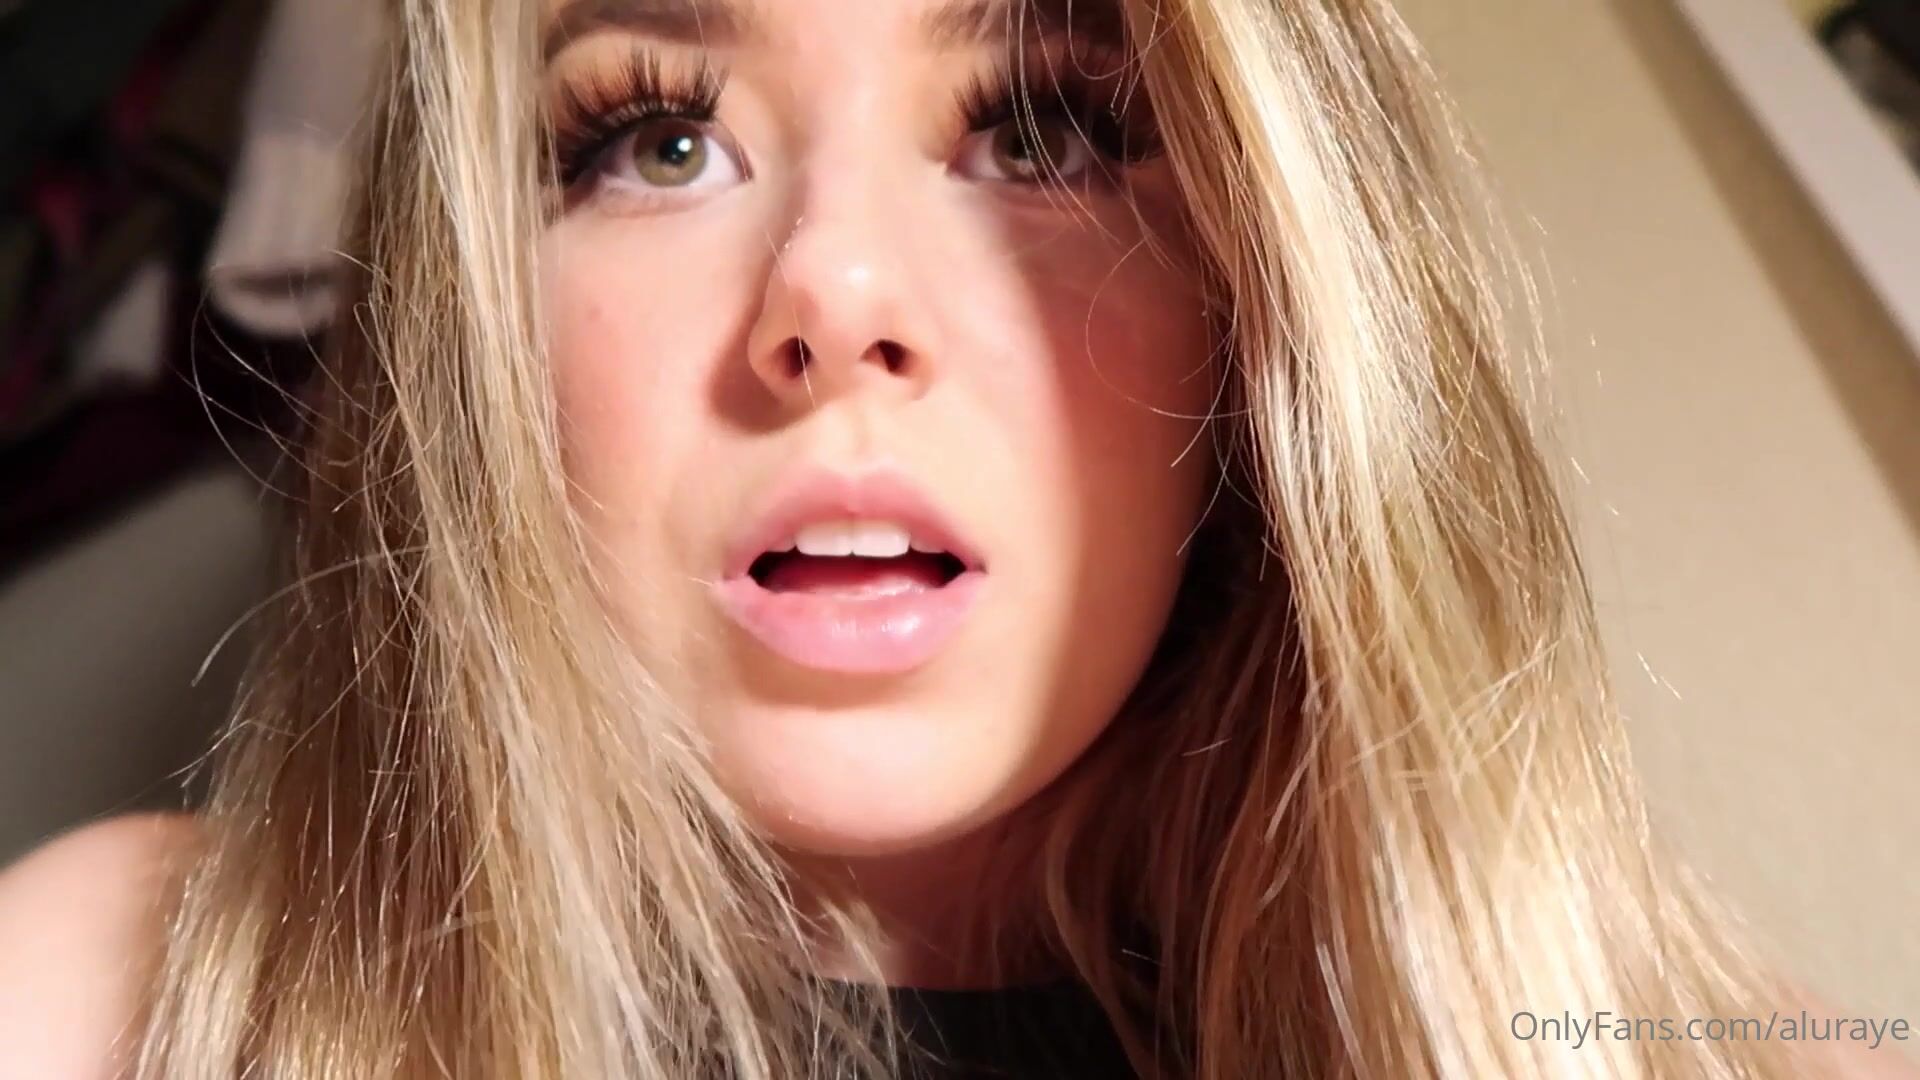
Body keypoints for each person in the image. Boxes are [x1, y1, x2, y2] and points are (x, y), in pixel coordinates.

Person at [0, 0, 1913, 1076]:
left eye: (1046, 132)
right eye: (658, 139)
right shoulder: (128, 997)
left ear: (1267, 296)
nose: (834, 293)